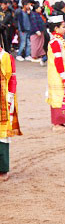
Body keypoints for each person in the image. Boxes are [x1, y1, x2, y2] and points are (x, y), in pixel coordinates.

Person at [46, 15, 65, 131]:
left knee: (62, 96)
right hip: (58, 75)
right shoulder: (55, 42)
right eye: (63, 27)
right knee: (59, 97)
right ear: (56, 29)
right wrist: (64, 77)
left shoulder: (59, 41)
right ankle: (57, 123)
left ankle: (62, 122)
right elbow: (58, 60)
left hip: (60, 74)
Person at [0, 44, 20, 181]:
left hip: (3, 99)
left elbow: (12, 79)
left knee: (2, 135)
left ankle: (3, 169)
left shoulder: (6, 57)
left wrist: (10, 96)